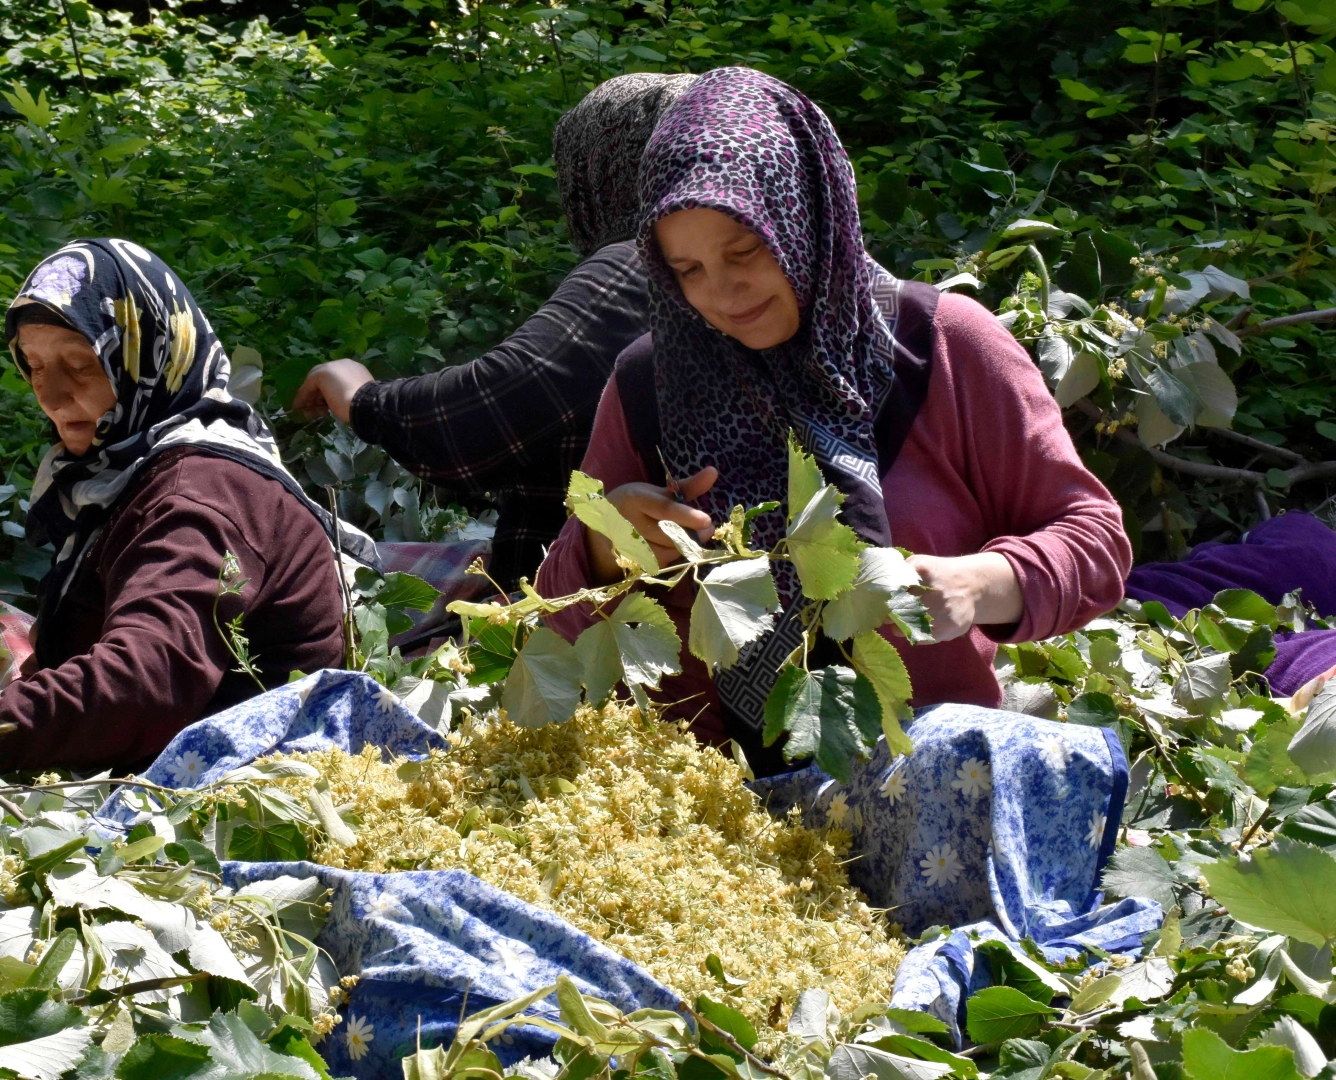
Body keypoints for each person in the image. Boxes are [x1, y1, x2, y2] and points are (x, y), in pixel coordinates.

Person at [536, 67, 1132, 767]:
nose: (721, 293)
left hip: (920, 780)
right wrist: (610, 545)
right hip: (700, 799)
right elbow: (557, 611)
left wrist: (979, 582)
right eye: (687, 270)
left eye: (744, 251)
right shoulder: (652, 380)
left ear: (803, 217)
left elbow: (1094, 545)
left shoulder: (940, 347)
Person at [0, 239, 352, 794]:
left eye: (80, 364)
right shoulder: (134, 467)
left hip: (235, 785)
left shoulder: (195, 495)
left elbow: (143, 680)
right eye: (33, 366)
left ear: (148, 358)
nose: (50, 395)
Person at [292, 73, 697, 585]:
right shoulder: (728, 266)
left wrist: (360, 398)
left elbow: (493, 408)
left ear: (599, 172)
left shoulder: (637, 263)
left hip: (579, 610)